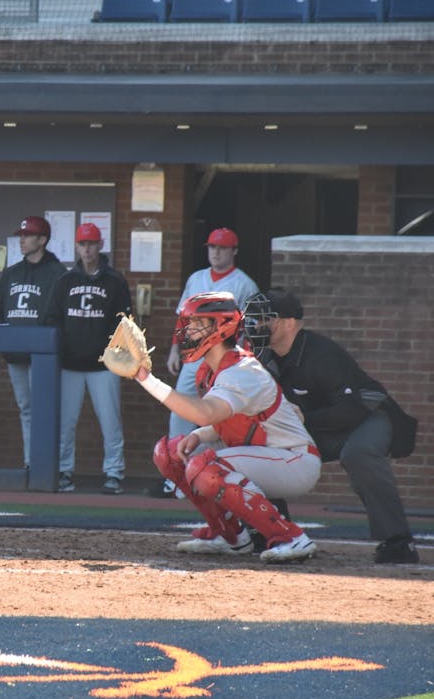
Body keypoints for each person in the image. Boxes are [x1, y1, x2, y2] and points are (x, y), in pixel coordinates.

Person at [125, 291, 321, 563]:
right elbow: (226, 421)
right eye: (188, 323)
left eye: (197, 323)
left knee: (205, 468)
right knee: (168, 453)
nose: (188, 330)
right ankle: (230, 537)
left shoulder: (242, 370)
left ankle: (291, 537)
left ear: (221, 326)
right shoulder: (211, 369)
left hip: (295, 459)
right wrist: (197, 435)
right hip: (267, 454)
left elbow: (206, 414)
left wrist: (146, 380)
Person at [244, 289, 420, 565]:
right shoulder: (264, 358)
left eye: (266, 319)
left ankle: (399, 542)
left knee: (358, 453)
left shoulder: (321, 353)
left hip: (368, 418)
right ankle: (275, 533)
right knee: (262, 448)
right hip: (321, 426)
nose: (257, 325)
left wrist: (304, 421)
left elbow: (355, 406)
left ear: (289, 323)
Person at [160, 227, 258, 496]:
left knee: (221, 413)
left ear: (234, 251)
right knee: (180, 406)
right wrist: (173, 350)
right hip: (195, 355)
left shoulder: (244, 284)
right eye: (212, 247)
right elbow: (183, 317)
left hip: (226, 358)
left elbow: (251, 328)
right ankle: (176, 471)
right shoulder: (197, 278)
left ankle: (212, 471)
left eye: (222, 248)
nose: (215, 252)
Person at [42, 223, 130, 494]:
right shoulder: (65, 281)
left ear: (100, 245)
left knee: (110, 421)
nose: (87, 249)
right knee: (65, 423)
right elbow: (52, 319)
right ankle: (64, 471)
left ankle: (114, 473)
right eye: (82, 244)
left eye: (92, 243)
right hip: (69, 364)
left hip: (104, 366)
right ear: (77, 247)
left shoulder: (115, 281)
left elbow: (124, 325)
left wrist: (117, 357)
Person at [0, 216, 66, 470]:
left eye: (28, 235)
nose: (22, 240)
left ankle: (47, 464)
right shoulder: (11, 273)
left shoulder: (58, 273)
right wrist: (4, 344)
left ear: (42, 240)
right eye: (21, 235)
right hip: (15, 354)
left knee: (44, 410)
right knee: (26, 409)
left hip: (43, 355)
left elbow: (62, 316)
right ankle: (30, 462)